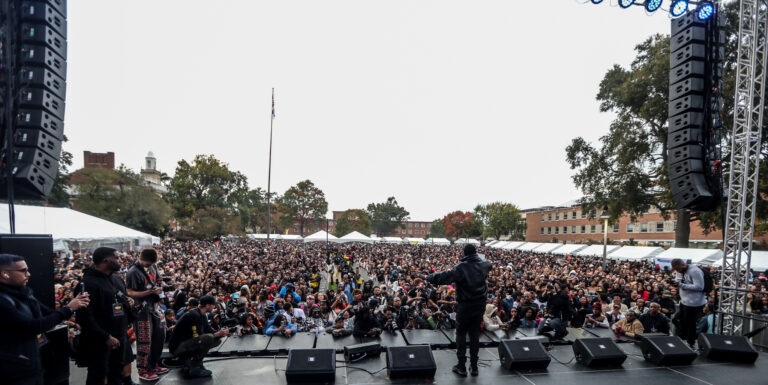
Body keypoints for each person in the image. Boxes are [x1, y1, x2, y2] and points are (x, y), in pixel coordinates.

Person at [0, 254, 90, 385]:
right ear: (4, 274)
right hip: (12, 371)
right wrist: (69, 309)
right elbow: (31, 327)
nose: (29, 274)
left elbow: (50, 314)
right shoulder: (3, 301)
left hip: (32, 365)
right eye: (23, 271)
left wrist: (74, 305)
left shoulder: (25, 294)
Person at [426, 244, 492, 377]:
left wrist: (429, 277)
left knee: (461, 333)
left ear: (464, 253)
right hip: (479, 304)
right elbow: (488, 264)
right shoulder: (485, 264)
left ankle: (461, 366)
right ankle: (474, 367)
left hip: (465, 305)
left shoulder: (461, 267)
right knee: (474, 334)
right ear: (476, 252)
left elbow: (443, 277)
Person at [76, 247, 137, 385]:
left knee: (116, 374)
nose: (120, 260)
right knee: (98, 376)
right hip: (100, 341)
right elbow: (84, 317)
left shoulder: (116, 279)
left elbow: (122, 299)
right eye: (117, 257)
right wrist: (105, 336)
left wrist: (129, 303)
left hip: (119, 335)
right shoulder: (87, 284)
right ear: (106, 260)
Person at [126, 248, 167, 381]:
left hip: (154, 307)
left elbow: (159, 280)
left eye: (152, 264)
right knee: (145, 341)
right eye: (148, 264)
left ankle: (153, 365)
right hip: (141, 311)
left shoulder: (153, 266)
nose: (150, 266)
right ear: (141, 258)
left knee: (159, 338)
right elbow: (130, 292)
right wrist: (149, 292)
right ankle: (143, 370)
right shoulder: (133, 272)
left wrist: (159, 288)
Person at [169, 295, 230, 378]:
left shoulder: (203, 315)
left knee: (216, 339)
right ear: (208, 305)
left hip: (187, 343)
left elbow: (209, 331)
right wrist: (217, 334)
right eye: (213, 305)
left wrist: (221, 332)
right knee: (208, 338)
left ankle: (197, 363)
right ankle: (194, 367)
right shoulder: (194, 315)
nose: (214, 306)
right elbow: (198, 336)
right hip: (177, 347)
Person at [671, 258, 706, 347]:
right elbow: (678, 281)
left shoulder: (695, 271)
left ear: (683, 265)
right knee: (677, 320)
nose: (677, 271)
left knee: (690, 324)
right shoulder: (680, 271)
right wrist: (675, 284)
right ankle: (681, 339)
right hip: (684, 301)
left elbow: (699, 287)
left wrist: (681, 285)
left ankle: (691, 343)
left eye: (678, 269)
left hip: (694, 303)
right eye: (676, 270)